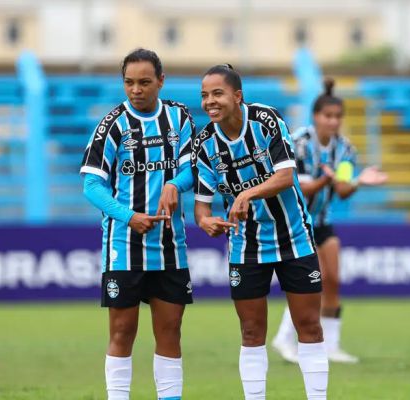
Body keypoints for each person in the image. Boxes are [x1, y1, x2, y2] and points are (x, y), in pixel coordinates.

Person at [193, 64, 329, 400]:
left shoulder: (266, 120)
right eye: (205, 95)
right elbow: (202, 206)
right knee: (251, 331)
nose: (210, 101)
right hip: (245, 245)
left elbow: (286, 176)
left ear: (237, 96)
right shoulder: (205, 142)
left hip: (294, 237)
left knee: (309, 326)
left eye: (218, 93)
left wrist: (246, 193)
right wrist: (206, 221)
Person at [80, 48, 196, 400]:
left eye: (145, 82)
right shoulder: (112, 125)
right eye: (129, 83)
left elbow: (194, 168)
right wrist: (129, 217)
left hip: (169, 246)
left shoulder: (179, 118)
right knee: (122, 331)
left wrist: (176, 184)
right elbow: (91, 185)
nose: (136, 90)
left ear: (161, 81)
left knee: (170, 330)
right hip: (123, 246)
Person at [271, 78, 388, 364]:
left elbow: (343, 189)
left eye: (337, 117)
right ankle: (285, 338)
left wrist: (358, 180)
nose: (333, 122)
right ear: (315, 117)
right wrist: (327, 177)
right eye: (328, 116)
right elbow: (297, 186)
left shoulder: (345, 150)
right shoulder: (297, 144)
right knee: (312, 281)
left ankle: (332, 346)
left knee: (333, 279)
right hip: (296, 221)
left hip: (322, 221)